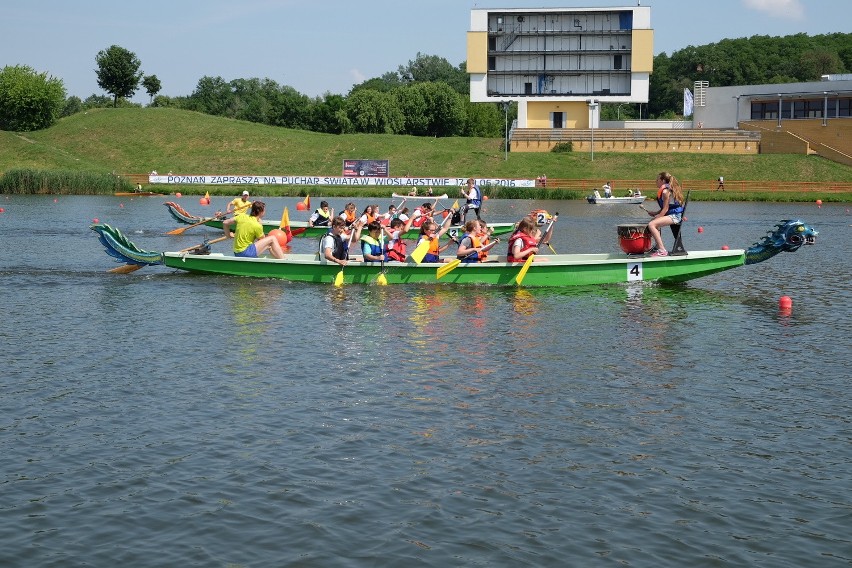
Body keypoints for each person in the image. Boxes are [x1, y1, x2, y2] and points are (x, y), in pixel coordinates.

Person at [646, 171, 685, 257]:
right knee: (654, 222)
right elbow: (666, 208)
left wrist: (658, 217)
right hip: (673, 214)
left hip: (675, 216)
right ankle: (657, 247)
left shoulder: (665, 192)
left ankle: (662, 250)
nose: (656, 181)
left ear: (663, 180)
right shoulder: (667, 190)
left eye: (657, 179)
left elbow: (666, 209)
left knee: (652, 224)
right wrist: (655, 213)